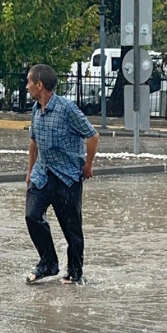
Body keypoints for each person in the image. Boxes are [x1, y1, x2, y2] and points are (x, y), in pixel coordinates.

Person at [24, 64, 99, 285]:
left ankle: (75, 273)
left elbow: (93, 136)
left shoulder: (67, 109)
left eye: (29, 82)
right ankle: (48, 263)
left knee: (71, 230)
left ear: (40, 84)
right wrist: (29, 172)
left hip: (67, 178)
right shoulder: (36, 109)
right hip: (43, 175)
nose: (27, 86)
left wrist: (88, 165)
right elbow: (33, 141)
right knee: (32, 215)